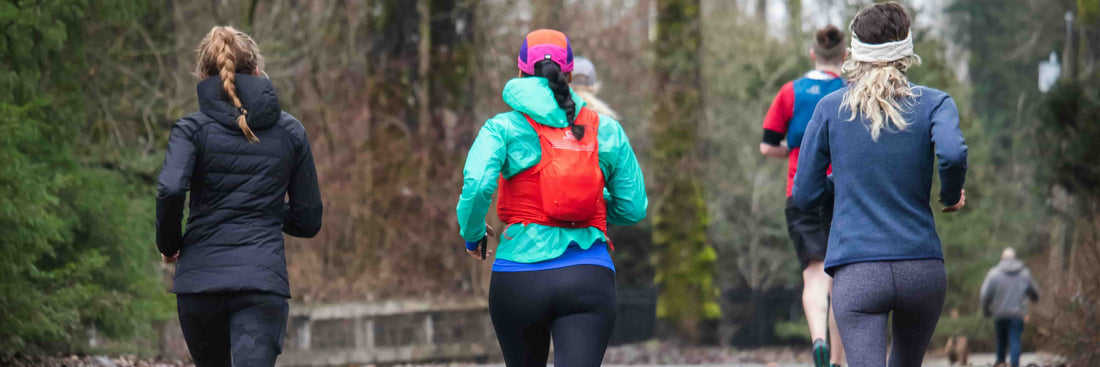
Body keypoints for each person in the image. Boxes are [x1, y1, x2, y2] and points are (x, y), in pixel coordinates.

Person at [456, 29, 647, 367]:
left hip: (518, 277)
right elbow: (633, 207)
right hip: (588, 275)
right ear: (571, 75)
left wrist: (473, 234)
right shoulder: (606, 129)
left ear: (519, 73)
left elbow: (477, 185)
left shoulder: (501, 128)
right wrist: (588, 200)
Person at [792, 3, 969, 366]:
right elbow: (952, 153)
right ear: (906, 48)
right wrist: (950, 195)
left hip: (858, 272)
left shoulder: (829, 109)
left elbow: (804, 195)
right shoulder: (934, 103)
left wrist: (838, 188)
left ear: (855, 52)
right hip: (921, 268)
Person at [156, 26, 323, 367]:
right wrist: (266, 211)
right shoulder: (291, 131)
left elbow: (171, 189)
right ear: (258, 72)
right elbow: (308, 220)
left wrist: (169, 243)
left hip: (199, 284)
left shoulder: (190, 130)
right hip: (260, 283)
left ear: (204, 76)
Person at [760, 25, 847, 367]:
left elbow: (767, 145)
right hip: (843, 193)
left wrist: (795, 150)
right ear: (844, 56)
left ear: (813, 54)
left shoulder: (790, 92)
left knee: (814, 274)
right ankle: (838, 361)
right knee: (842, 279)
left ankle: (818, 341)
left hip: (801, 191)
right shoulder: (851, 89)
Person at [980, 248, 1040, 367]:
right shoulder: (1024, 273)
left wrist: (986, 310)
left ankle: (1001, 363)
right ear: (1014, 258)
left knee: (1001, 340)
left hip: (999, 314)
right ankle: (1014, 364)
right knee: (1015, 340)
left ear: (1002, 258)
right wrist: (1034, 298)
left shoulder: (994, 273)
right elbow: (1034, 291)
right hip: (1017, 314)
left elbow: (985, 295)